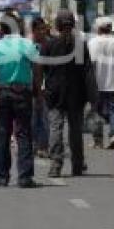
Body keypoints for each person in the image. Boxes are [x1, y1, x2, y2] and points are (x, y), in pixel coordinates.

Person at [0, 11, 41, 188]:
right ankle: (24, 177)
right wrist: (37, 89)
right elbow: (37, 68)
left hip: (4, 92)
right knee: (23, 134)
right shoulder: (27, 45)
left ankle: (1, 176)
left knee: (3, 134)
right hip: (23, 92)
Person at [42, 10, 91, 178]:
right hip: (76, 95)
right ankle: (77, 165)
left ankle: (56, 165)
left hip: (55, 94)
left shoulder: (50, 45)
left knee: (56, 129)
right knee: (75, 131)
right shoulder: (79, 45)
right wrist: (91, 96)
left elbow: (44, 69)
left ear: (57, 26)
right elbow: (86, 72)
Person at [88, 18, 114, 150]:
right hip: (113, 82)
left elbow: (91, 64)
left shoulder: (92, 43)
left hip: (97, 83)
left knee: (95, 111)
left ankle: (98, 140)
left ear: (98, 29)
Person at [30, 17, 50, 158]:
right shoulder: (28, 46)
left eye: (44, 29)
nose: (43, 32)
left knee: (44, 118)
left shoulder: (49, 45)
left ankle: (43, 146)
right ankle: (33, 144)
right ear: (34, 30)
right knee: (32, 117)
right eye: (40, 29)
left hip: (46, 87)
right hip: (30, 86)